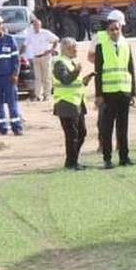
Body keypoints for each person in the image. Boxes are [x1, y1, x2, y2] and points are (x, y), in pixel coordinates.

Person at [94, 15, 136, 168]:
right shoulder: (101, 47)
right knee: (107, 128)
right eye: (111, 29)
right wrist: (98, 94)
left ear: (121, 29)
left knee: (123, 127)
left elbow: (130, 69)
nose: (114, 32)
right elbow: (98, 73)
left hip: (123, 92)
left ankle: (124, 157)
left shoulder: (126, 46)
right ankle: (107, 158)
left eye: (117, 29)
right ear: (107, 31)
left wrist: (132, 93)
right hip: (108, 94)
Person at [52, 37, 90, 171]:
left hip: (76, 102)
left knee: (82, 133)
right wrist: (77, 71)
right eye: (75, 48)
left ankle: (73, 160)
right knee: (72, 135)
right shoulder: (59, 63)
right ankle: (71, 163)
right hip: (65, 103)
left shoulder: (70, 61)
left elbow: (75, 82)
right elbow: (65, 80)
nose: (77, 51)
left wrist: (85, 79)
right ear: (67, 49)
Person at [22, 18, 59, 102]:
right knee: (38, 78)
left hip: (45, 57)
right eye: (35, 25)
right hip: (36, 57)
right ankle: (37, 95)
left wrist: (51, 50)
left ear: (40, 25)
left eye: (37, 25)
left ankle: (46, 95)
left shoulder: (45, 33)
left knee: (46, 77)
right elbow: (25, 45)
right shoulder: (31, 35)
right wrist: (20, 54)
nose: (36, 27)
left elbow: (56, 40)